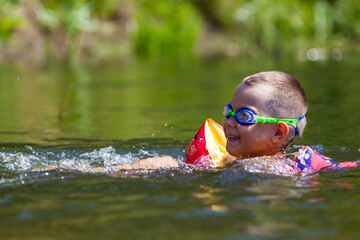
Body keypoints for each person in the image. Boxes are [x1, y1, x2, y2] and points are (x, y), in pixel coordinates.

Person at [63, 71, 356, 174]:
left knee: (164, 164)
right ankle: (80, 170)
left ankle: (79, 172)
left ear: (278, 132)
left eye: (244, 116)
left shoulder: (275, 168)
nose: (228, 121)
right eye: (229, 110)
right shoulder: (229, 157)